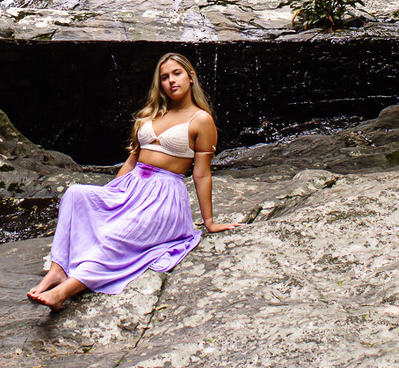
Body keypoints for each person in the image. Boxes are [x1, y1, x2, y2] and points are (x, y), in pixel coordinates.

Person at [27, 52, 240, 312]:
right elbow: (132, 160)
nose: (171, 81)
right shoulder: (152, 114)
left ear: (191, 76)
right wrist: (109, 196)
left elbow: (202, 173)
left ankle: (65, 290)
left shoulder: (201, 120)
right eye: (164, 77)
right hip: (132, 186)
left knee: (117, 234)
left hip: (164, 196)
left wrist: (209, 222)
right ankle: (58, 270)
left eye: (177, 73)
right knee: (75, 194)